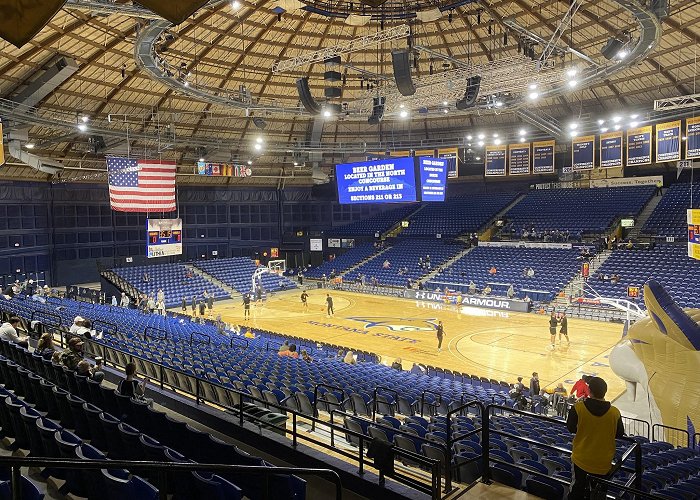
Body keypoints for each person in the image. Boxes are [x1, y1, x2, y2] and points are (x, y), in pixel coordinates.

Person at [567, 377, 624, 499]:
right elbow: (619, 434)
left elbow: (571, 428)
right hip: (603, 462)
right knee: (599, 493)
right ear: (605, 391)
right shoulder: (615, 412)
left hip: (581, 458)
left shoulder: (578, 408)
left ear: (589, 390)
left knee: (577, 489)